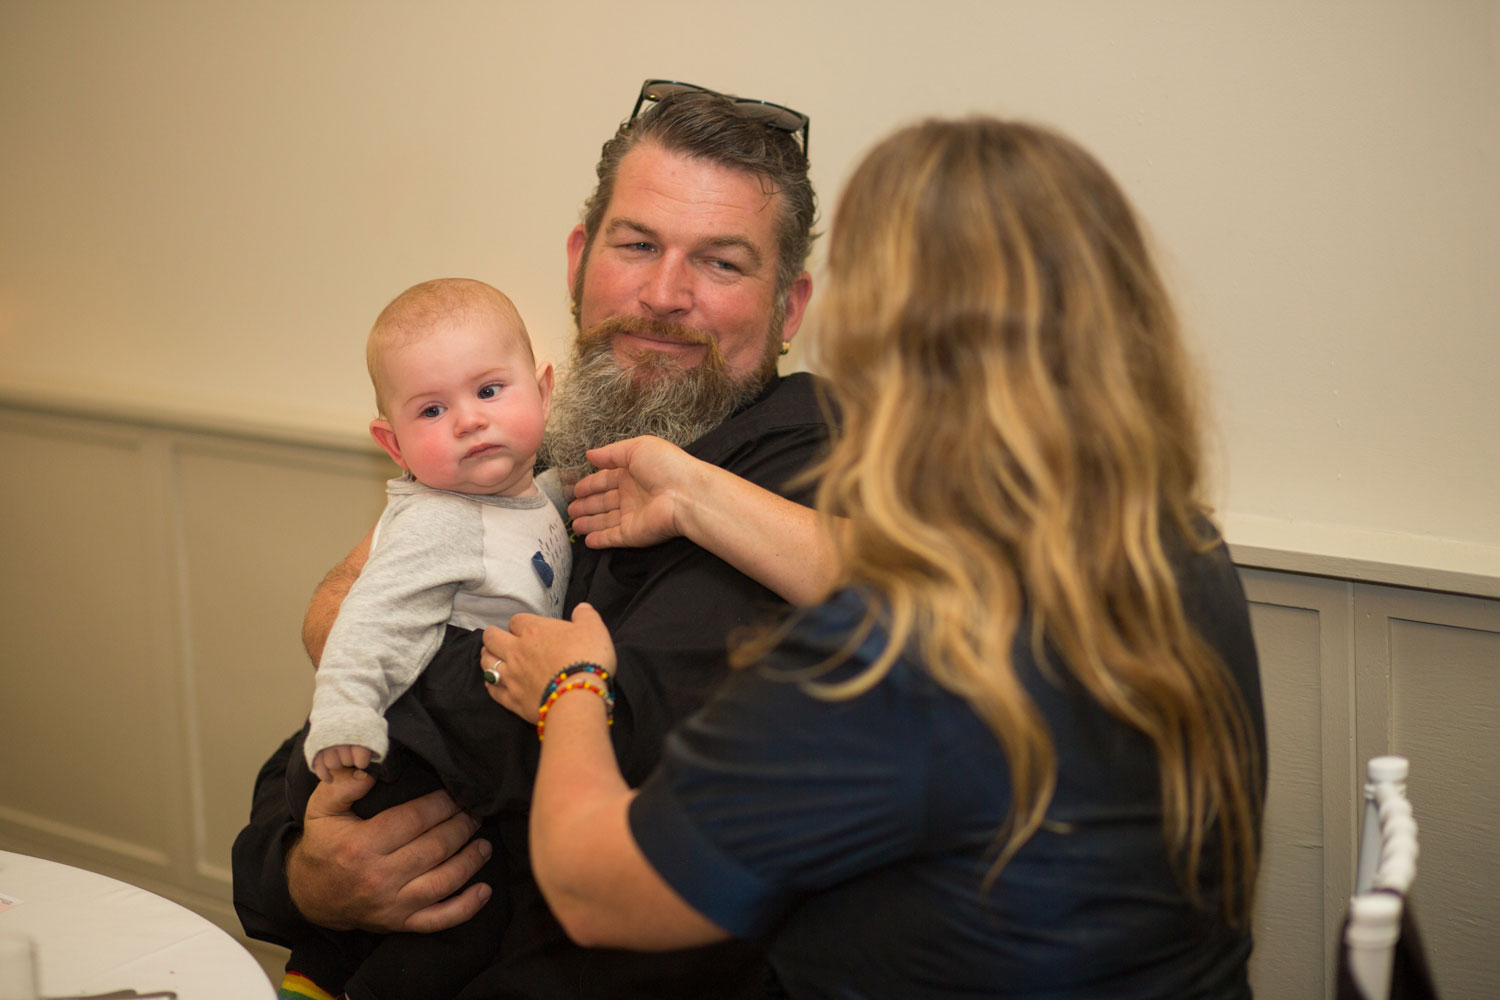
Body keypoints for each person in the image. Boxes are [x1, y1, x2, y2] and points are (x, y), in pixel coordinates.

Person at [482, 117, 1268, 999]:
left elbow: (601, 890)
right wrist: (697, 496)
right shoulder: (1177, 549)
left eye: (723, 262)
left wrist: (573, 687)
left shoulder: (887, 658)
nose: (668, 292)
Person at [232, 79, 824, 1000]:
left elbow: (614, 745)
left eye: (721, 263)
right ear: (582, 260)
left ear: (789, 308)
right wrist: (304, 866)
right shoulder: (524, 434)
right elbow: (352, 688)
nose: (664, 295)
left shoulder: (802, 480)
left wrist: (374, 646)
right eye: (637, 245)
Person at [278, 277, 568, 999]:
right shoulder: (442, 521)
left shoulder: (532, 496)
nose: (470, 421)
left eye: (491, 391)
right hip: (392, 756)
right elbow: (368, 620)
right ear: (393, 441)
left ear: (544, 390)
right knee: (459, 919)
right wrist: (346, 714)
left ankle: (316, 972)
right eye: (433, 409)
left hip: (438, 751)